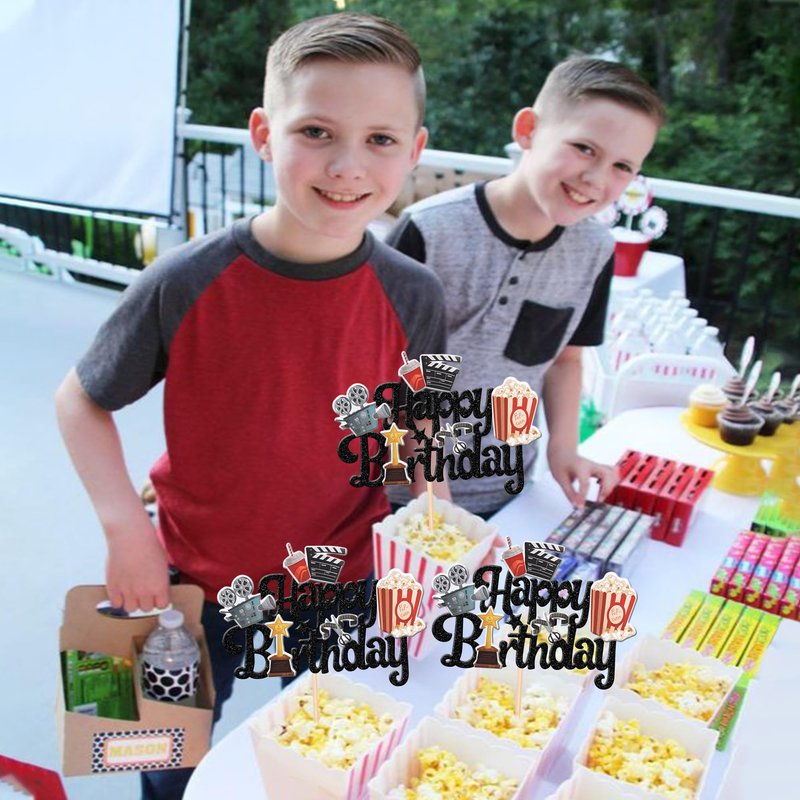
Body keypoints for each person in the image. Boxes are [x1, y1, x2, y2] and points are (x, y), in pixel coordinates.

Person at [55, 13, 444, 799]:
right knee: (162, 764)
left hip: (341, 579)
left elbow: (416, 425)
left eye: (379, 139)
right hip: (184, 582)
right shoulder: (185, 280)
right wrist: (126, 532)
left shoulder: (415, 293)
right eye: (316, 131)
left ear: (415, 151)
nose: (346, 165)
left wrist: (433, 527)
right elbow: (79, 401)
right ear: (264, 134)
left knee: (319, 765)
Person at [386, 55, 665, 517]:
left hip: (506, 491)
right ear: (529, 130)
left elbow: (566, 359)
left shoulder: (596, 249)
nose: (596, 179)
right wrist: (432, 498)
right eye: (584, 148)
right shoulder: (427, 229)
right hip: (393, 494)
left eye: (622, 166)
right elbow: (392, 375)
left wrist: (564, 449)